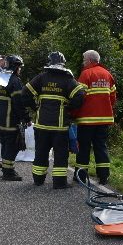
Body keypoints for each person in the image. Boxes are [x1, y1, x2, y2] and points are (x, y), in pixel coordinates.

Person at [22, 51, 85, 189]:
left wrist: (35, 106)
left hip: (42, 124)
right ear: (63, 63)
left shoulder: (41, 77)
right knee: (61, 155)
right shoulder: (67, 79)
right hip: (59, 127)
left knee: (41, 152)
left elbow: (25, 92)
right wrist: (69, 108)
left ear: (49, 62)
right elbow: (80, 95)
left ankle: (38, 179)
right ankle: (59, 183)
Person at [73, 50, 116, 185]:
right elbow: (113, 97)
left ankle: (80, 176)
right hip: (104, 119)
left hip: (87, 119)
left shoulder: (86, 74)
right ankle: (104, 177)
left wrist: (73, 114)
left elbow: (79, 97)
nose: (83, 62)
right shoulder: (107, 74)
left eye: (84, 59)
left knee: (84, 147)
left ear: (90, 60)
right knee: (100, 147)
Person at [0, 55, 31, 181]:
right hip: (11, 120)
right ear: (15, 67)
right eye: (19, 67)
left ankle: (6, 169)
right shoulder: (14, 81)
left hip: (1, 120)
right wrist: (26, 117)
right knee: (12, 145)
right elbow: (19, 102)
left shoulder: (1, 79)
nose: (20, 70)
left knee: (5, 144)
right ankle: (8, 172)